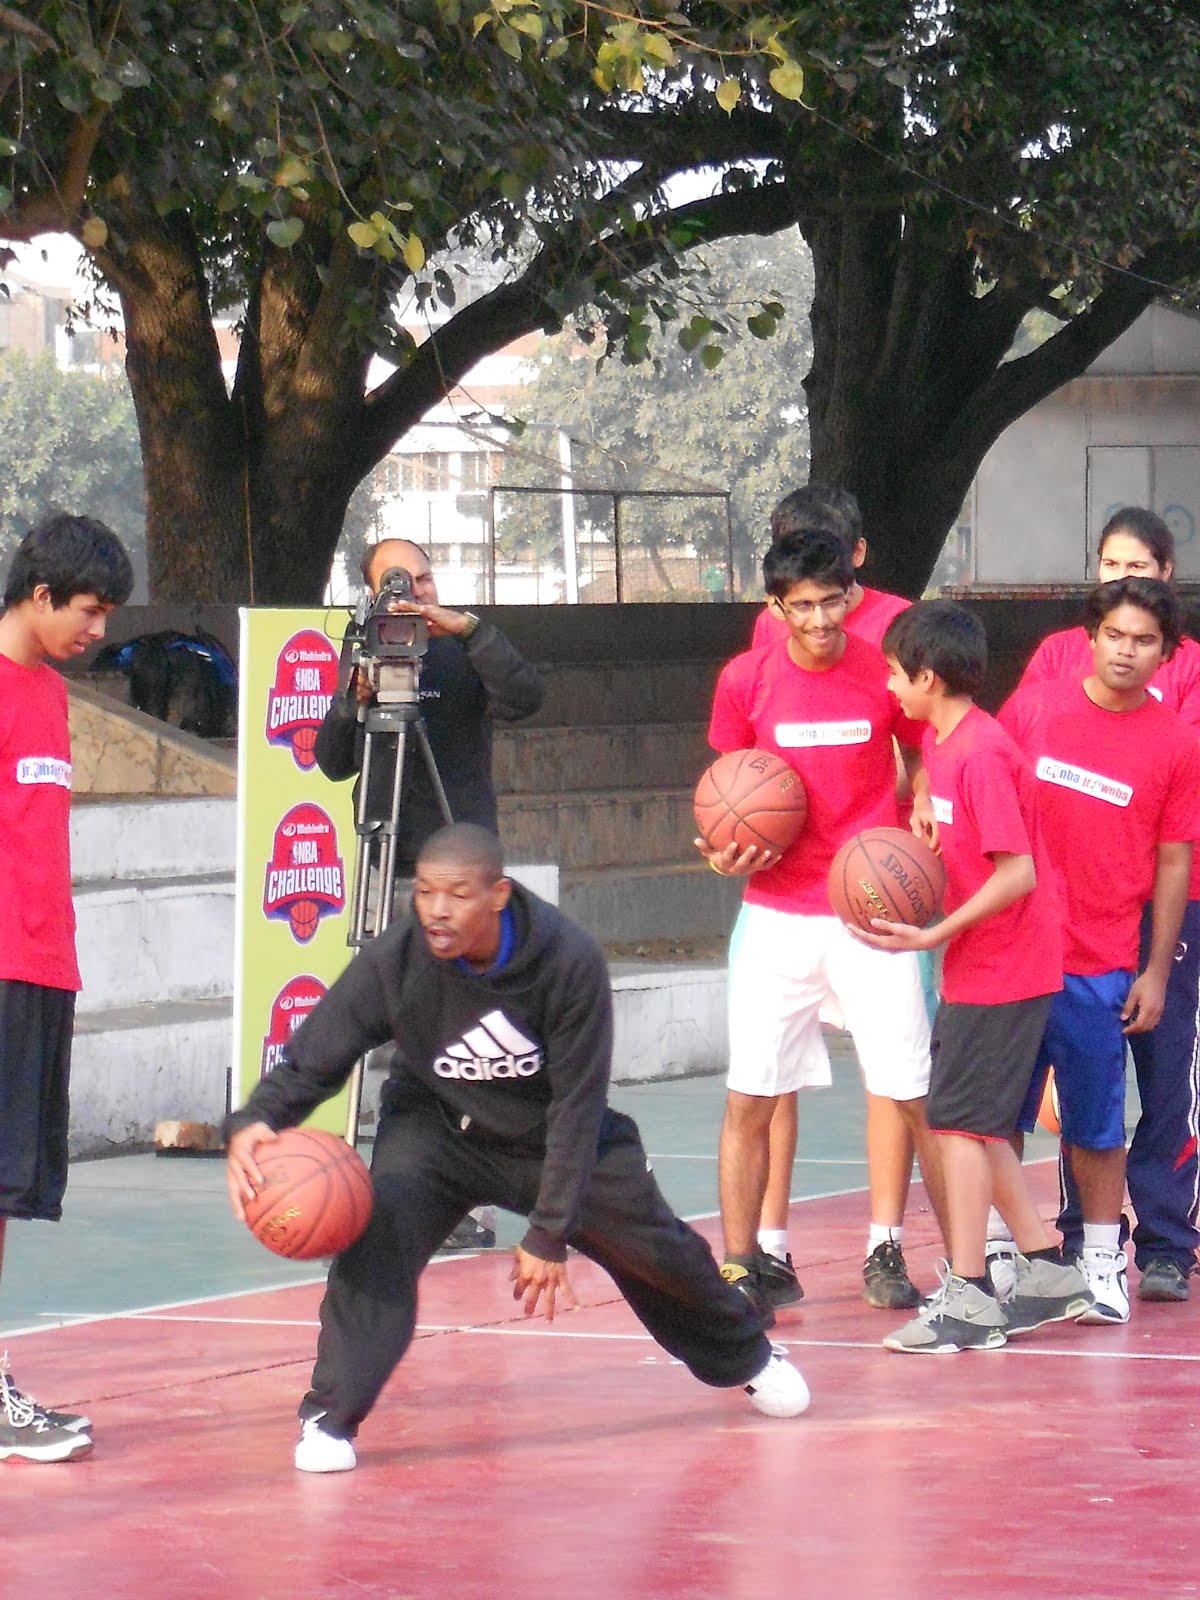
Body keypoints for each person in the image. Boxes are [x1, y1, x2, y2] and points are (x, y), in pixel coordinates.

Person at [225, 824, 810, 1473]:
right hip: (436, 1128)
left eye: (456, 894)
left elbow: (577, 1104)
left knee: (659, 1252)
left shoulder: (567, 961)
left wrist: (548, 1231)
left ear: (498, 894)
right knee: (377, 1242)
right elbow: (319, 1051)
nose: (437, 910)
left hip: (550, 1133)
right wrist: (258, 1117)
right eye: (424, 893)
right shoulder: (398, 960)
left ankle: (747, 1354)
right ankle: (330, 1419)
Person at [699, 527, 947, 1317]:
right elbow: (724, 791)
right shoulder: (745, 680)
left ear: (851, 593)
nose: (818, 618)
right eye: (800, 605)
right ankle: (743, 1270)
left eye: (831, 601)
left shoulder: (884, 670)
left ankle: (945, 1265)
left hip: (871, 911)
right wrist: (718, 851)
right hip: (776, 912)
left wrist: (924, 796)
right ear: (776, 605)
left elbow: (928, 744)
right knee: (750, 1098)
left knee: (911, 1093)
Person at [850, 600, 1093, 1351]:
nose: (889, 686)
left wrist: (935, 932)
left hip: (1006, 962)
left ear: (927, 675)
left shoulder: (983, 752)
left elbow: (1016, 873)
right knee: (978, 1125)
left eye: (895, 673)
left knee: (957, 1122)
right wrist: (923, 807)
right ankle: (1050, 1274)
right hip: (980, 964)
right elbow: (936, 779)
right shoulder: (942, 737)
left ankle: (970, 1298)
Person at [316, 537, 543, 1249]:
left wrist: (471, 630)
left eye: (425, 577)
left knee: (465, 1032)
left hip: (462, 859)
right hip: (393, 857)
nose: (417, 593)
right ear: (372, 594)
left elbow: (527, 697)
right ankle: (390, 1189)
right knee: (395, 1026)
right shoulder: (366, 654)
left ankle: (467, 1201)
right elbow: (330, 762)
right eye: (400, 583)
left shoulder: (461, 650)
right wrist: (356, 705)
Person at [1000, 577, 1200, 1323]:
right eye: (1115, 634)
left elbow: (1176, 860)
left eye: (1143, 640)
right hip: (1017, 956)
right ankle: (1007, 1257)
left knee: (1096, 1125)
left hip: (1104, 960)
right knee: (997, 1120)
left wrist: (1154, 969)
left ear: (1166, 654)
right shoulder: (1034, 710)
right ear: (1091, 637)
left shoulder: (1177, 743)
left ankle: (1100, 1260)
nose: (1126, 650)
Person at [750, 488, 924, 1309]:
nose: (812, 600)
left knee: (894, 1078)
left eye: (824, 563)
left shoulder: (897, 627)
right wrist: (728, 836)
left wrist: (924, 801)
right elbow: (740, 768)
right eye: (793, 565)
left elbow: (930, 732)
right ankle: (768, 1251)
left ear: (854, 558)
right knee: (765, 1080)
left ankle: (884, 1246)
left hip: (872, 888)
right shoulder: (765, 639)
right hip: (780, 892)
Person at [0, 511, 133, 1462]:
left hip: (43, 964)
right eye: (88, 609)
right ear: (39, 593)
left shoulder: (48, 694)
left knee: (5, 1190)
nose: (98, 630)